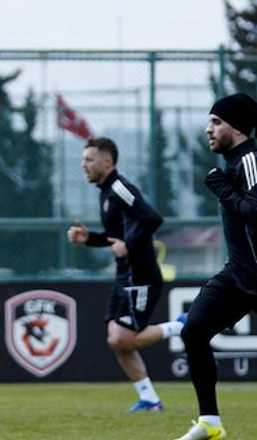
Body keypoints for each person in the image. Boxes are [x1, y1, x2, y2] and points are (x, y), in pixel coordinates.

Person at [168, 94, 257, 440]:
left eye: (216, 122)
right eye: (209, 121)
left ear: (239, 128)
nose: (208, 129)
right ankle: (210, 423)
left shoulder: (252, 161)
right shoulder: (236, 164)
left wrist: (222, 188)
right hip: (238, 274)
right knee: (194, 332)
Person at [66, 137, 181, 412]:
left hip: (140, 276)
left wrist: (128, 245)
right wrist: (90, 239)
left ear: (107, 162)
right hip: (124, 276)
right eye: (83, 159)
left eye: (89, 160)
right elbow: (115, 237)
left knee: (123, 339)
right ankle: (149, 400)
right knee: (116, 341)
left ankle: (181, 327)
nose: (83, 165)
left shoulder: (119, 187)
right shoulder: (105, 192)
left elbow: (152, 218)